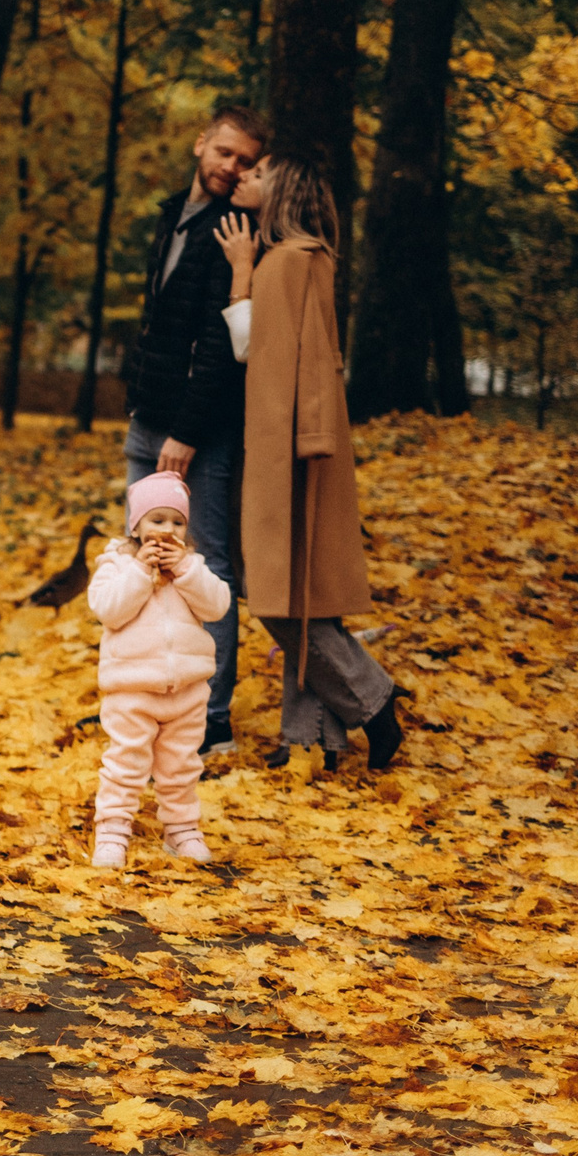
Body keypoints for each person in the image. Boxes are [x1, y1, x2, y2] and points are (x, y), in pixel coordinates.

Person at [215, 155, 403, 770]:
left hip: (287, 444)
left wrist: (241, 272)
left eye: (260, 172)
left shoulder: (286, 261)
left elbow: (253, 349)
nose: (246, 176)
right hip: (299, 438)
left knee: (276, 597)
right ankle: (311, 741)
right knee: (304, 594)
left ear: (285, 190)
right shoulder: (309, 255)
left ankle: (374, 701)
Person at [121, 106, 267, 764]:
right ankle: (157, 702)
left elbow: (221, 345)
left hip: (196, 431)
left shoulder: (232, 229)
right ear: (200, 143)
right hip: (148, 417)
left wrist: (184, 432)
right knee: (143, 563)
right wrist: (141, 407)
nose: (231, 169)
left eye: (244, 162)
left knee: (203, 566)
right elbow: (159, 318)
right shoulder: (171, 216)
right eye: (226, 154)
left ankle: (212, 721)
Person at [87, 471, 234, 867]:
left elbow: (218, 606)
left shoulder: (193, 567)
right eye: (157, 520)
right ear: (136, 525)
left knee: (181, 766)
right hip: (132, 690)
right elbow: (109, 611)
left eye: (177, 522)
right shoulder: (117, 566)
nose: (167, 530)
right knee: (125, 764)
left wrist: (186, 571)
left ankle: (182, 830)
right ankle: (113, 831)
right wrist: (139, 571)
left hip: (187, 690)